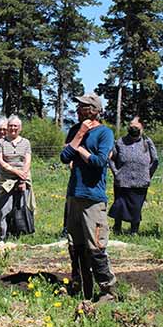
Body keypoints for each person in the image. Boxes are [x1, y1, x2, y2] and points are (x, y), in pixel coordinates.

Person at [60, 93, 116, 302]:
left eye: (82, 107)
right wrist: (80, 134)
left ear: (92, 110)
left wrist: (80, 149)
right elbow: (64, 157)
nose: (77, 110)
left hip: (93, 197)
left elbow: (99, 162)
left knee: (96, 245)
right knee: (75, 244)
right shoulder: (76, 130)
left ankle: (107, 291)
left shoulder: (105, 133)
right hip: (74, 194)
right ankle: (82, 286)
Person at [108, 116, 159, 235]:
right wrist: (116, 173)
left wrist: (147, 175)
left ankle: (134, 231)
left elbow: (155, 160)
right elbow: (111, 159)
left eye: (135, 126)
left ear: (142, 127)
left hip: (140, 183)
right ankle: (117, 228)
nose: (132, 128)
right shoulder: (120, 141)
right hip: (122, 181)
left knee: (136, 208)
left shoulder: (147, 142)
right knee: (119, 205)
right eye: (131, 126)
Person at [0, 115, 35, 240]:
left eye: (15, 126)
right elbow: (1, 161)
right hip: (6, 180)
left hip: (23, 179)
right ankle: (3, 235)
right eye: (10, 126)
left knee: (22, 207)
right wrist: (14, 171)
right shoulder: (1, 142)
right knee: (4, 208)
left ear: (20, 128)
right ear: (7, 127)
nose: (13, 128)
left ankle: (21, 233)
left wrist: (22, 178)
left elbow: (27, 160)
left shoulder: (26, 142)